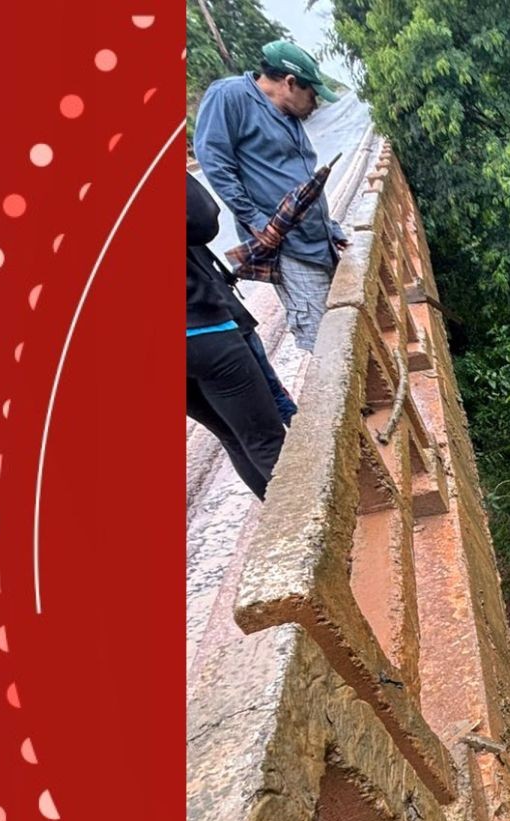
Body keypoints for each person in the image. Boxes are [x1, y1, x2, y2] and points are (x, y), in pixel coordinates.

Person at [192, 39, 349, 352]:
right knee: (323, 340)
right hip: (291, 249)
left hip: (319, 241)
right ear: (290, 83)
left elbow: (302, 180)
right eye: (313, 94)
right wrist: (254, 220)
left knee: (342, 324)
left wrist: (330, 228)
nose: (315, 104)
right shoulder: (231, 96)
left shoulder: (288, 115)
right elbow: (214, 161)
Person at [189, 174, 285, 501]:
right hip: (199, 327)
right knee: (266, 441)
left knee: (233, 437)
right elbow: (202, 218)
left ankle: (288, 530)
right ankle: (326, 536)